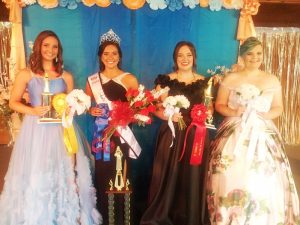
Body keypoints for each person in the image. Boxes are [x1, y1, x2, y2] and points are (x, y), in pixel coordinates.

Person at [0, 30, 101, 224]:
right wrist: (33, 110)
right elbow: (13, 102)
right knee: (37, 170)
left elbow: (73, 102)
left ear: (59, 51)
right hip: (35, 130)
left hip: (60, 130)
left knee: (62, 171)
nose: (50, 50)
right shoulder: (26, 74)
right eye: (46, 45)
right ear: (38, 46)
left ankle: (62, 215)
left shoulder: (66, 76)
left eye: (54, 46)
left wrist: (77, 107)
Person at [206, 37, 300, 224]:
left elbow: (278, 108)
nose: (254, 57)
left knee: (265, 173)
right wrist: (236, 111)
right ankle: (227, 215)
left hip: (262, 129)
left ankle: (263, 217)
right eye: (250, 53)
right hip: (234, 128)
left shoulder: (271, 79)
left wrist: (261, 115)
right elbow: (219, 105)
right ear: (242, 56)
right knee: (229, 170)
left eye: (258, 53)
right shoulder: (232, 78)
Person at [140, 41, 211, 225]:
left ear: (194, 57)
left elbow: (208, 106)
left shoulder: (204, 81)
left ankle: (191, 215)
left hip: (197, 135)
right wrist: (168, 117)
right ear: (175, 58)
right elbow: (154, 106)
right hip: (172, 134)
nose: (184, 59)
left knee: (192, 174)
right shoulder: (165, 81)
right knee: (168, 174)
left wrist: (207, 113)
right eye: (180, 55)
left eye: (188, 55)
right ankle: (164, 214)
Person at [85, 29, 139, 225]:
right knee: (103, 174)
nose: (110, 57)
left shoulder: (129, 79)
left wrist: (124, 116)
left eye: (114, 53)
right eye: (106, 53)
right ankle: (105, 218)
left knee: (123, 174)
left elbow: (137, 109)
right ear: (100, 56)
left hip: (123, 136)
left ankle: (124, 219)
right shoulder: (92, 81)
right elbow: (88, 106)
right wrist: (91, 111)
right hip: (102, 137)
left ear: (120, 56)